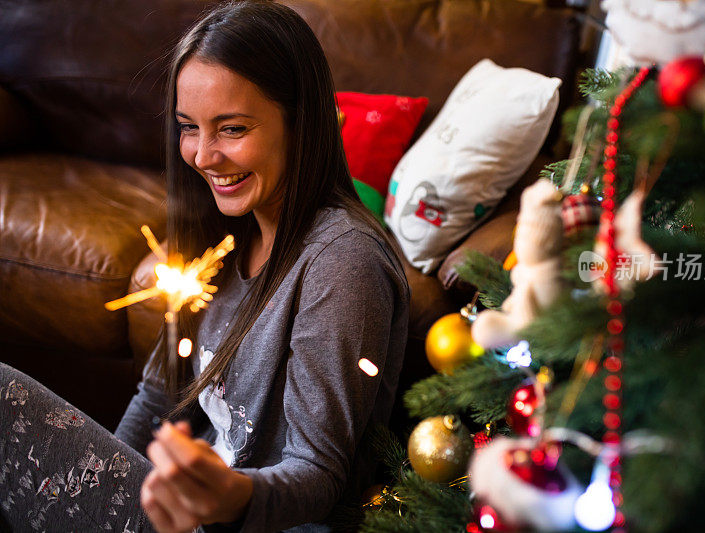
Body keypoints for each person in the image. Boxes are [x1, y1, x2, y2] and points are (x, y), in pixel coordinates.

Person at [0, 1, 409, 531]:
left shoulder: (343, 264)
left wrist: (231, 499)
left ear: (301, 122)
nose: (202, 156)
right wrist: (110, 494)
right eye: (188, 127)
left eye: (232, 129)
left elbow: (320, 476)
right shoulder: (217, 239)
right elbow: (157, 396)